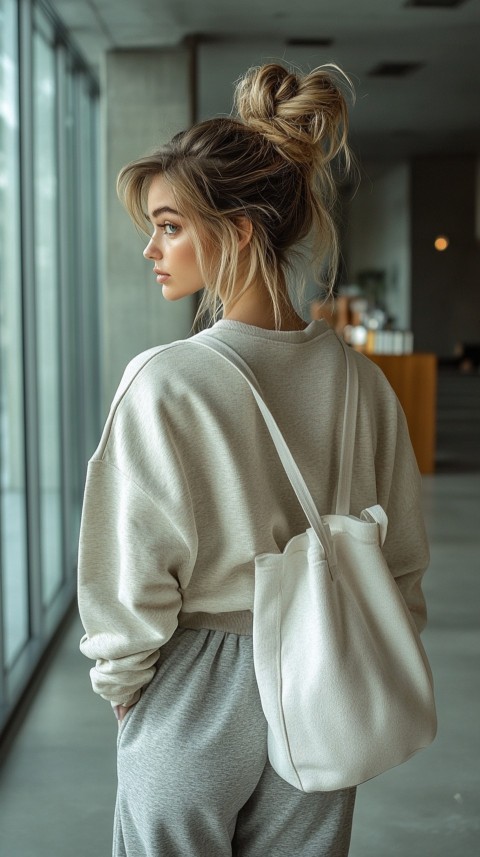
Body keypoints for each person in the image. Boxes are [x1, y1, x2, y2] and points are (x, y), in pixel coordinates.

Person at [78, 62, 429, 857]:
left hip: (196, 687)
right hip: (323, 684)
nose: (151, 248)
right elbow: (403, 568)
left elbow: (128, 579)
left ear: (236, 231)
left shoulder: (166, 381)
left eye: (170, 225)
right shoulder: (366, 386)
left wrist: (127, 692)